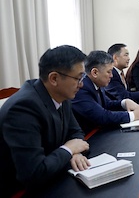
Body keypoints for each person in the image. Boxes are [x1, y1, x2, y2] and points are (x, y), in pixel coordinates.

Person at [0, 45, 90, 196]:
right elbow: (34, 173)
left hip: (52, 176)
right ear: (54, 78)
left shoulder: (62, 95)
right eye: (78, 78)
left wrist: (75, 153)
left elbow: (76, 132)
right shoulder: (23, 108)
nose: (81, 84)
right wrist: (69, 150)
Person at [72, 50, 139, 134]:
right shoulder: (82, 87)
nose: (111, 75)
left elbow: (106, 104)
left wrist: (124, 103)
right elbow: (101, 116)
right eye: (109, 72)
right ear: (95, 72)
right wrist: (134, 115)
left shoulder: (96, 83)